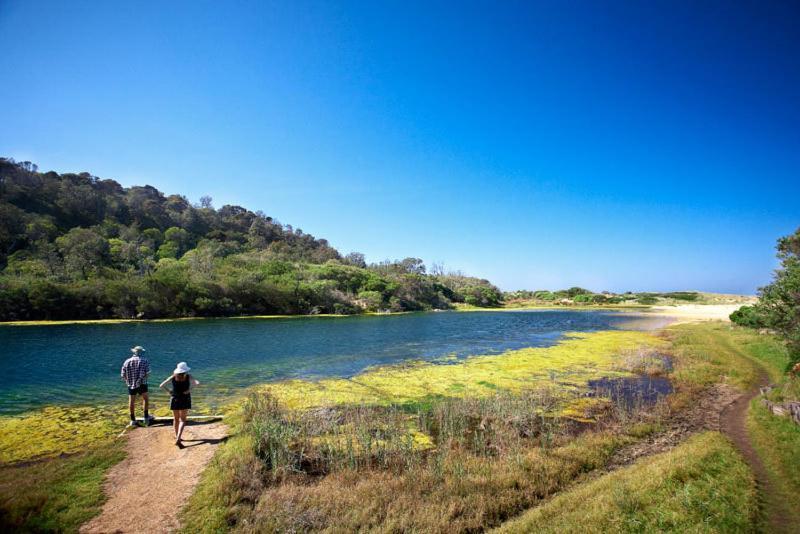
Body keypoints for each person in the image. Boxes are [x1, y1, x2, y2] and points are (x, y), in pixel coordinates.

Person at [159, 362, 200, 446]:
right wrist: (189, 390)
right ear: (185, 370)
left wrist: (169, 391)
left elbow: (161, 385)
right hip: (185, 398)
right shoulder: (188, 376)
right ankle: (178, 438)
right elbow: (198, 383)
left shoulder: (173, 377)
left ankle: (177, 436)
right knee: (183, 420)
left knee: (176, 419)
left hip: (174, 399)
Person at [120, 346, 154, 427]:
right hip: (142, 383)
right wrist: (143, 378)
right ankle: (146, 417)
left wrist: (128, 381)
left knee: (131, 401)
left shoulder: (127, 361)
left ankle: (132, 420)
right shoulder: (144, 361)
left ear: (134, 352)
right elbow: (148, 372)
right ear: (141, 352)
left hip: (131, 384)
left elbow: (123, 375)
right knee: (145, 399)